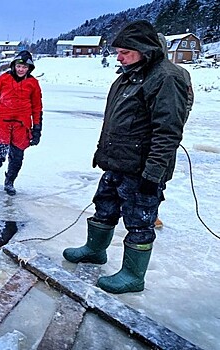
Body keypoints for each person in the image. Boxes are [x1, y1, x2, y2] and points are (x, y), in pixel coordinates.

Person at [62, 20, 188, 294]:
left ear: (144, 49)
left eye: (124, 52)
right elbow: (113, 121)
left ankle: (133, 275)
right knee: (104, 207)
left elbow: (167, 131)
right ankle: (95, 250)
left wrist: (153, 175)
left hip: (142, 169)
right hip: (117, 162)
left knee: (139, 220)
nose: (118, 57)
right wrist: (101, 152)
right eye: (118, 52)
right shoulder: (127, 76)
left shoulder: (166, 77)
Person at [0, 50, 43, 196]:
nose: (21, 70)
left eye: (25, 67)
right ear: (14, 65)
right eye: (19, 66)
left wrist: (37, 129)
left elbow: (37, 108)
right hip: (3, 122)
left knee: (17, 157)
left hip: (22, 126)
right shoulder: (3, 79)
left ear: (29, 68)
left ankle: (10, 182)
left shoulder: (33, 83)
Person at [154, 33, 195, 228]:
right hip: (137, 139)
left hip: (163, 136)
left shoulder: (177, 73)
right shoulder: (140, 71)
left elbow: (187, 101)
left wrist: (175, 124)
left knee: (157, 175)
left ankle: (152, 212)